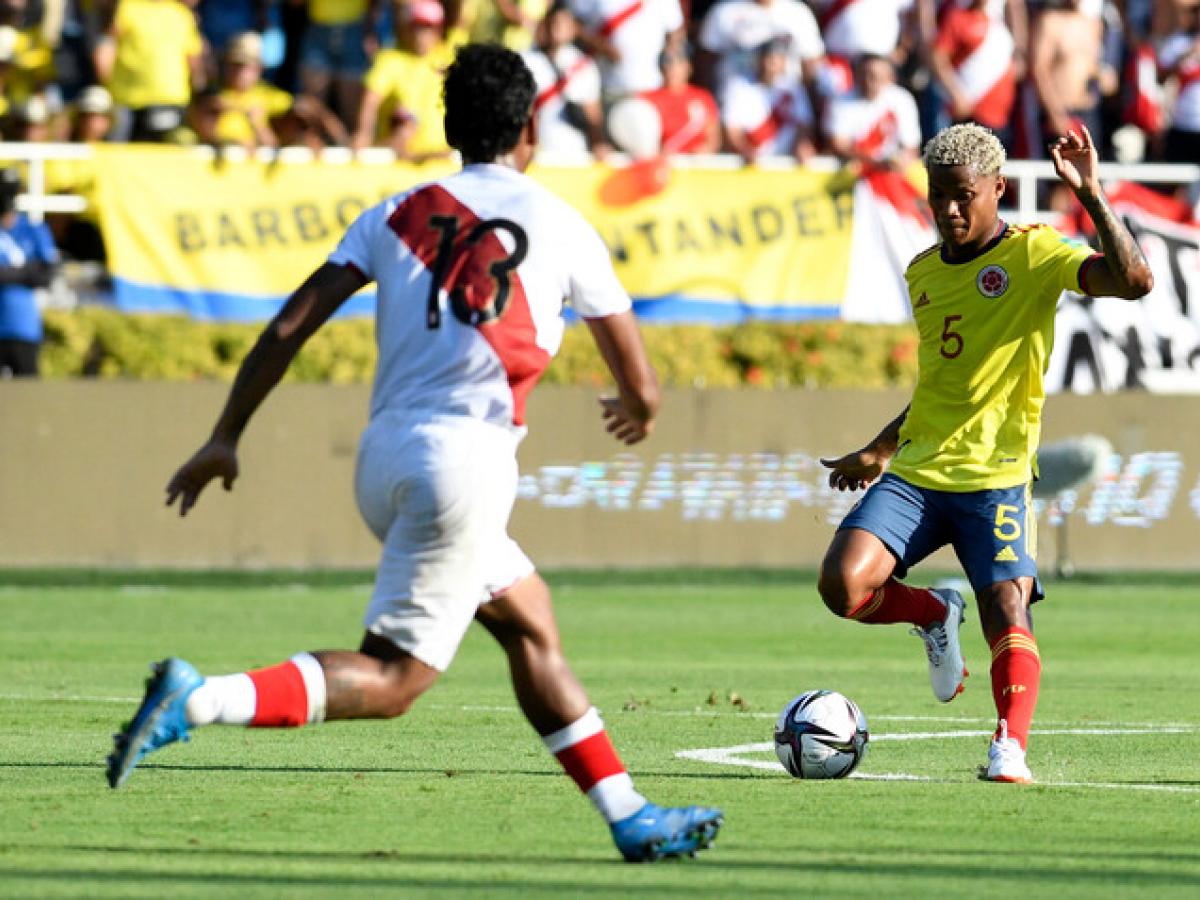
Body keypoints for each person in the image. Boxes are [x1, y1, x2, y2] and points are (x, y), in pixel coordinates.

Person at [106, 42, 722, 864]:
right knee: (394, 682)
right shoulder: (563, 225)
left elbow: (289, 326)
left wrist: (226, 435)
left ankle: (629, 814)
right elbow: (641, 386)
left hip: (386, 458)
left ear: (448, 125)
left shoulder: (393, 212)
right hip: (463, 470)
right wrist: (637, 413)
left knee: (530, 622)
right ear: (530, 129)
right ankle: (202, 698)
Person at [816, 122, 1153, 783]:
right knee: (842, 585)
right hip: (918, 472)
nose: (948, 210)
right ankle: (936, 612)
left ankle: (1008, 746)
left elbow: (1134, 281)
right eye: (938, 195)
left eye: (963, 195)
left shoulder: (1034, 255)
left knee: (1007, 607)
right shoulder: (923, 273)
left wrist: (1089, 193)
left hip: (996, 478)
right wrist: (880, 448)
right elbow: (945, 383)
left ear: (997, 189)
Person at [352, 0, 453, 161]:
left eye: (427, 27)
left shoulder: (449, 58)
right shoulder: (389, 60)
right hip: (400, 159)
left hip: (442, 159)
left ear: (439, 30)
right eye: (415, 27)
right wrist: (363, 133)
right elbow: (370, 100)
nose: (420, 34)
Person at [521, 2, 609, 157]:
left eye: (565, 23)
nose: (559, 28)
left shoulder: (585, 66)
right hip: (540, 154)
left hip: (576, 152)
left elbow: (593, 114)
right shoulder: (527, 61)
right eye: (555, 22)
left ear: (574, 28)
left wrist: (598, 145)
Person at [0, 168, 59, 377]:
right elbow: (35, 272)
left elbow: (47, 275)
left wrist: (8, 274)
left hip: (24, 328)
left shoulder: (33, 229)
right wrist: (26, 272)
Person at [721, 37, 816, 163]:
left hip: (787, 163)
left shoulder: (793, 88)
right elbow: (731, 128)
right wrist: (744, 149)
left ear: (784, 62)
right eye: (768, 58)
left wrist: (801, 145)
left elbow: (804, 124)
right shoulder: (739, 87)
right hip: (749, 164)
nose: (771, 64)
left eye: (777, 59)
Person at [823, 53, 921, 171]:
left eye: (874, 76)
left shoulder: (902, 99)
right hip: (853, 170)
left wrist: (902, 160)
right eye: (863, 75)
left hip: (894, 171)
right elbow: (838, 145)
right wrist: (876, 163)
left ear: (890, 78)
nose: (868, 81)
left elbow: (911, 146)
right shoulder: (840, 101)